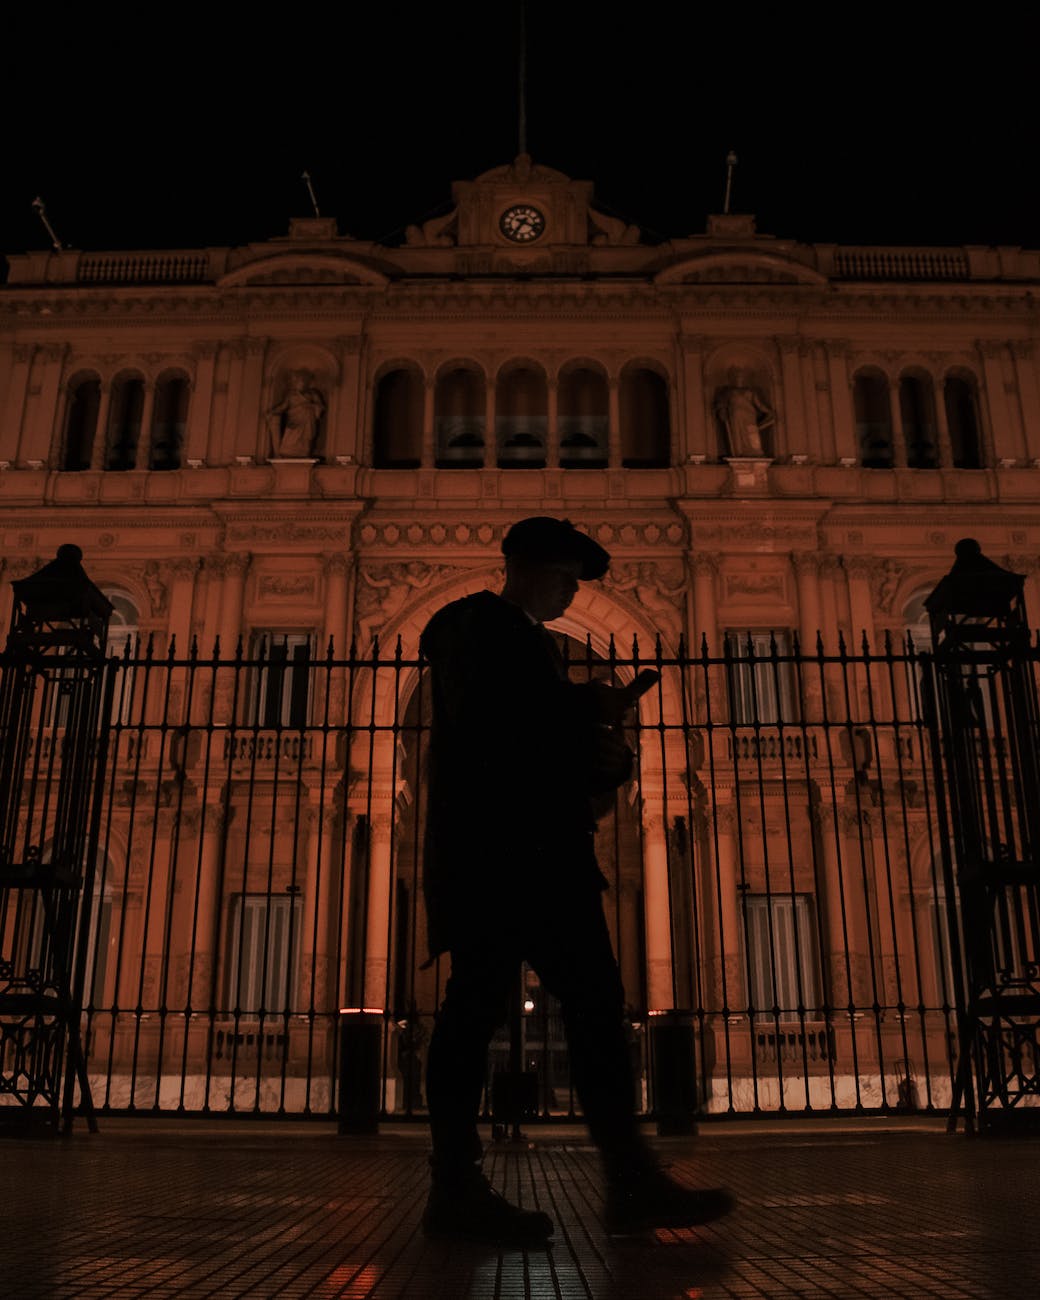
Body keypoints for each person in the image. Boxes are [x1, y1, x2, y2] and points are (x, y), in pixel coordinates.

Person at [419, 516, 734, 1244]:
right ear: (529, 569)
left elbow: (531, 744)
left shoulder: (519, 643)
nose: (571, 593)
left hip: (536, 856)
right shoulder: (476, 629)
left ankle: (620, 1180)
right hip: (506, 861)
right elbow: (499, 731)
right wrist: (587, 709)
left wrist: (597, 754)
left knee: (580, 1007)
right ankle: (466, 1185)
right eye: (566, 578)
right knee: (483, 1012)